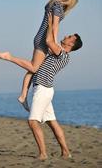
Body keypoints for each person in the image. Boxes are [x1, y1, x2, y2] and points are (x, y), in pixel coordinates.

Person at [0, 0, 78, 111]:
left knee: (33, 67)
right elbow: (54, 26)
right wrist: (55, 43)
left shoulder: (52, 3)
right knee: (33, 67)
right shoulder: (58, 6)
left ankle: (23, 96)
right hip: (44, 40)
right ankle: (8, 56)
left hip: (40, 37)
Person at [27, 14, 83, 160]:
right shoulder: (60, 53)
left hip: (43, 89)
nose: (66, 35)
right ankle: (66, 152)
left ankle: (43, 154)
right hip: (45, 89)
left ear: (71, 44)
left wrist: (52, 21)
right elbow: (48, 44)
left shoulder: (63, 54)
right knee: (52, 123)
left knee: (32, 122)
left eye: (70, 36)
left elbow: (48, 40)